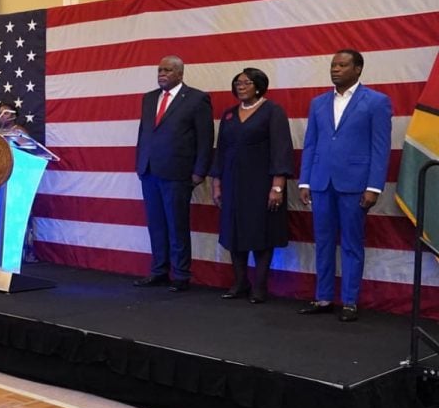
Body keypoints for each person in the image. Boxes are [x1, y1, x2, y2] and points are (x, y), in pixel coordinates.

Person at [297, 49, 392, 322]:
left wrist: (374, 186)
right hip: (321, 182)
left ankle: (349, 300)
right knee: (323, 242)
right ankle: (324, 297)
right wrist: (305, 180)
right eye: (333, 65)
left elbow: (380, 147)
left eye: (342, 65)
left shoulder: (376, 101)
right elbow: (311, 143)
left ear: (358, 69)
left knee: (351, 243)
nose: (335, 69)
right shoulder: (318, 103)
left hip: (355, 184)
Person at [210, 68, 293, 304]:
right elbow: (221, 150)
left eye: (246, 82)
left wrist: (277, 186)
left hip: (261, 183)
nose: (240, 86)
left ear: (258, 85)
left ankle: (260, 286)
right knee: (233, 231)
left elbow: (281, 149)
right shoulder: (228, 114)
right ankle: (239, 282)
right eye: (237, 82)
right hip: (232, 183)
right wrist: (217, 184)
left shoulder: (272, 111)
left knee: (261, 232)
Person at [133, 55, 214, 292]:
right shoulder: (149, 99)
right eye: (159, 70)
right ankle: (159, 271)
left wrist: (200, 171)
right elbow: (144, 133)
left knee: (177, 224)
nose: (162, 73)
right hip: (149, 171)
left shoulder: (197, 99)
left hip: (178, 172)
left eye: (167, 70)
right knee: (156, 224)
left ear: (180, 73)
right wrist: (140, 163)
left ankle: (180, 275)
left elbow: (205, 138)